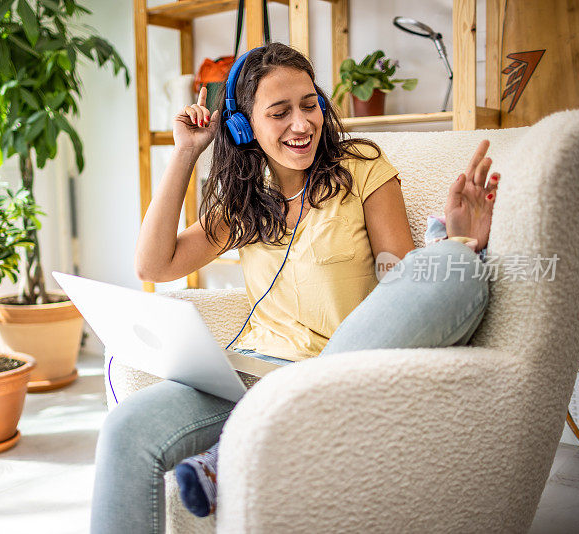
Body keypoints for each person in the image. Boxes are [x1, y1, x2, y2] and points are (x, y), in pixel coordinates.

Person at [91, 43, 499, 533]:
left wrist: (452, 242)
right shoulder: (245, 199)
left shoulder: (361, 168)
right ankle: (248, 431)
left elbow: (403, 284)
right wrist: (184, 155)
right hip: (246, 375)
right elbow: (154, 264)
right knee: (124, 430)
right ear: (243, 125)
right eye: (279, 112)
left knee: (458, 271)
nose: (302, 124)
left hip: (332, 380)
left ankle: (244, 441)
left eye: (310, 105)